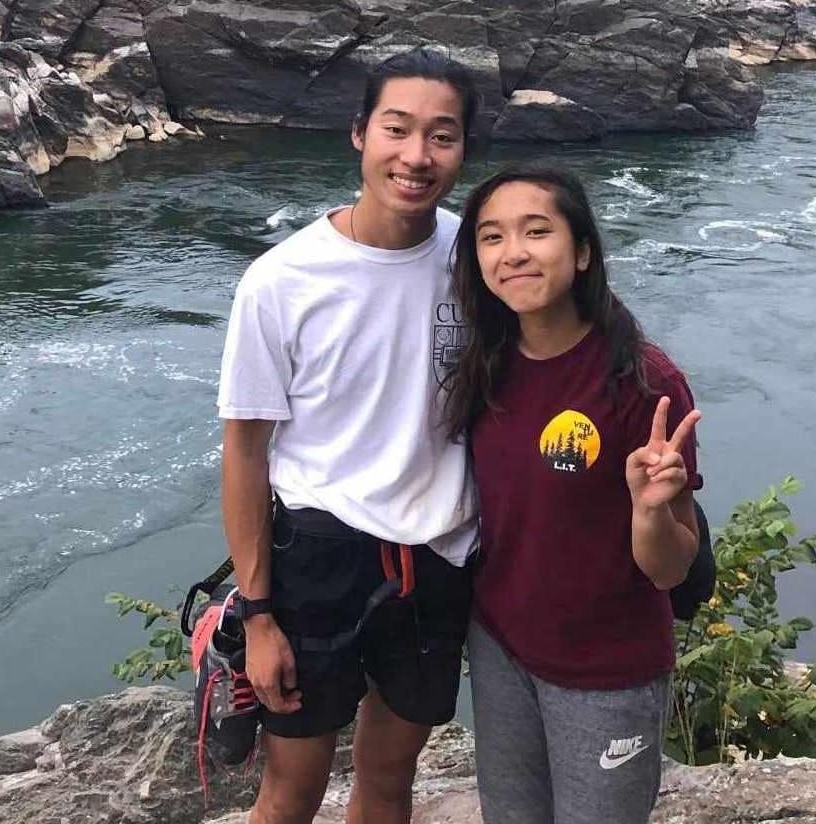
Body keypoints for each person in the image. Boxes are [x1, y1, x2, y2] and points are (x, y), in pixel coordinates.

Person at [217, 48, 480, 824]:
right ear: (359, 134)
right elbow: (244, 452)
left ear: (463, 149)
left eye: (441, 135)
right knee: (290, 791)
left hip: (436, 557)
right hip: (317, 559)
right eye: (396, 129)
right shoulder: (281, 279)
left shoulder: (479, 260)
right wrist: (258, 615)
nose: (416, 155)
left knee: (389, 779)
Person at [443, 168, 702, 824]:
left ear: (582, 251)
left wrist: (650, 509)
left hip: (606, 667)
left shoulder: (644, 383)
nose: (513, 253)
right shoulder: (486, 363)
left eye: (537, 232)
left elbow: (670, 570)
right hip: (501, 644)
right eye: (492, 237)